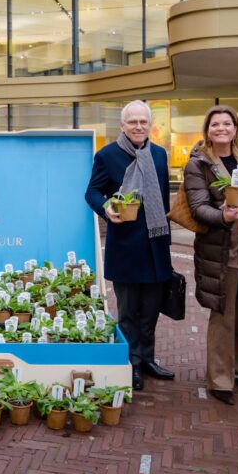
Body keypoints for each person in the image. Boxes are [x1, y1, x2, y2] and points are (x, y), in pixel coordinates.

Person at [85, 100, 174, 391]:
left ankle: (147, 359)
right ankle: (131, 362)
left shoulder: (159, 155)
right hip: (125, 246)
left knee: (150, 310)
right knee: (128, 312)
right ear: (122, 125)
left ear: (150, 125)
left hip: (156, 245)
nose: (138, 127)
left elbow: (162, 198)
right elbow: (92, 191)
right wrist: (106, 208)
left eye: (143, 122)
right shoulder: (107, 155)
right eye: (132, 122)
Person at [184, 105, 238, 405]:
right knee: (223, 313)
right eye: (215, 124)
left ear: (235, 128)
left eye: (227, 123)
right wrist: (224, 215)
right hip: (221, 251)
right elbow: (198, 207)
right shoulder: (200, 164)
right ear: (208, 129)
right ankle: (220, 379)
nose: (221, 128)